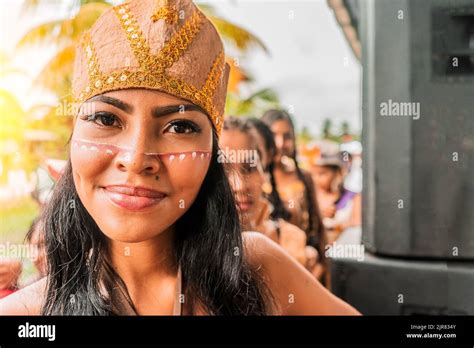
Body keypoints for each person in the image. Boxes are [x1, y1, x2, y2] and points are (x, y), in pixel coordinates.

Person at [0, 0, 358, 315]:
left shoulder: (259, 270)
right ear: (73, 138)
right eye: (106, 119)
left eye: (180, 127)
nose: (137, 158)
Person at [220, 116, 316, 269]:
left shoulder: (290, 240)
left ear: (263, 171)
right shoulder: (188, 250)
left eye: (250, 168)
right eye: (223, 171)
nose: (239, 186)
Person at [261, 109, 328, 282]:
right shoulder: (254, 179)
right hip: (270, 272)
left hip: (307, 268)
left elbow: (316, 225)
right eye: (274, 135)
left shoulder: (303, 177)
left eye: (287, 136)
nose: (280, 143)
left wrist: (319, 263)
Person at [311, 146, 361, 244]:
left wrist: (336, 226)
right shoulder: (311, 196)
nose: (316, 179)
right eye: (314, 174)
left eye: (322, 174)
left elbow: (356, 223)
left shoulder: (354, 197)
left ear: (338, 173)